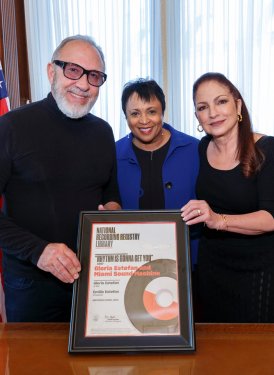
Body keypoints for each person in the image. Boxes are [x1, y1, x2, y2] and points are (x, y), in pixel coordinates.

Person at [0, 35, 121, 322]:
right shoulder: (11, 127)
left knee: (94, 367)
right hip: (31, 284)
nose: (83, 84)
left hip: (95, 281)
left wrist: (113, 213)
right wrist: (39, 251)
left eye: (94, 76)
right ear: (51, 71)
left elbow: (110, 194)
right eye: (73, 70)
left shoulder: (103, 133)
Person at [181, 72, 274, 323]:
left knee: (254, 353)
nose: (213, 113)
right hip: (213, 267)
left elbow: (270, 218)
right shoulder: (202, 148)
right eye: (203, 107)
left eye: (221, 101)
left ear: (238, 105)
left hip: (258, 269)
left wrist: (218, 220)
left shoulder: (266, 149)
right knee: (215, 350)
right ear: (197, 116)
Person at [116, 78, 200, 265]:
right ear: (126, 117)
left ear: (162, 112)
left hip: (188, 262)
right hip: (132, 263)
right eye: (135, 113)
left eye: (151, 112)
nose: (144, 121)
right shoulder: (113, 155)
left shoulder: (195, 149)